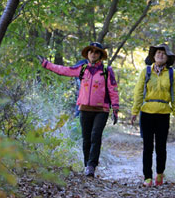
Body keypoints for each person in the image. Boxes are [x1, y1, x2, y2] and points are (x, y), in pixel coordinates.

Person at [38, 41, 119, 177]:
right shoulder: (82, 68)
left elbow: (113, 90)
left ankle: (92, 165)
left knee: (95, 136)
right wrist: (46, 64)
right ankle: (87, 165)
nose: (93, 54)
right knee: (86, 138)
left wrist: (115, 109)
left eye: (96, 52)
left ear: (100, 55)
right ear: (87, 54)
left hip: (101, 110)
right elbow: (63, 70)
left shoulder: (106, 71)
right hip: (84, 109)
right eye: (91, 51)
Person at [130, 43, 175, 187]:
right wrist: (135, 111)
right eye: (158, 53)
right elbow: (138, 92)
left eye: (163, 54)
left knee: (161, 146)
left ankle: (159, 173)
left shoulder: (172, 74)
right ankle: (147, 176)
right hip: (146, 113)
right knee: (147, 146)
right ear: (153, 56)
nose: (160, 55)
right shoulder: (145, 72)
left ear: (167, 58)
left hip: (163, 113)